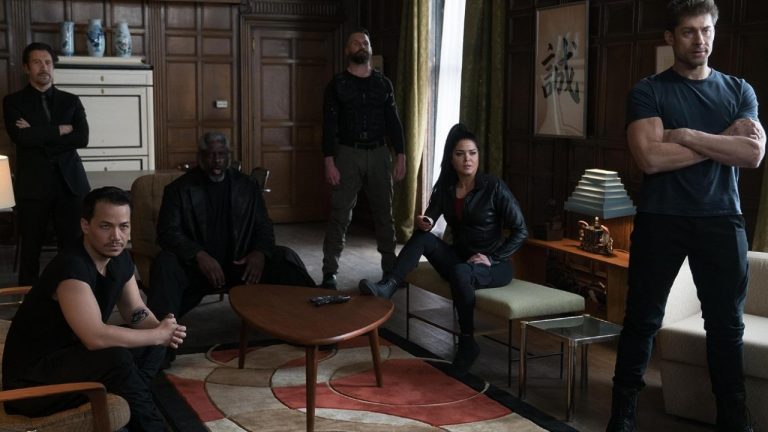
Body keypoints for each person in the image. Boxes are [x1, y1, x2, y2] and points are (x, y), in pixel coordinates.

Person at [606, 2, 766, 431]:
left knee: (726, 326)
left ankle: (734, 418)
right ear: (670, 37)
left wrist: (689, 135)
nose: (700, 40)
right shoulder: (649, 91)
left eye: (706, 30)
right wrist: (723, 141)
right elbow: (650, 158)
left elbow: (752, 154)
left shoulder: (739, 91)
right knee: (642, 319)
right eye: (689, 32)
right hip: (661, 218)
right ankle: (622, 416)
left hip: (722, 219)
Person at [1, 187, 186, 431]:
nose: (116, 236)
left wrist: (164, 330)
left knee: (151, 344)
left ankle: (129, 402)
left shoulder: (120, 258)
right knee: (118, 357)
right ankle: (149, 423)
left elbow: (135, 310)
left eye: (124, 226)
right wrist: (157, 334)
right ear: (85, 225)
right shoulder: (71, 268)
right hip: (34, 381)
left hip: (74, 358)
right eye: (106, 226)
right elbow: (95, 337)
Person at [358, 123, 528, 373]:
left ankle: (468, 343)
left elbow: (521, 230)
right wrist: (424, 221)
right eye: (460, 154)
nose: (467, 159)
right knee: (423, 238)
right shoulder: (446, 188)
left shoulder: (494, 187)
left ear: (478, 156)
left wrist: (492, 257)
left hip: (494, 266)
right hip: (460, 259)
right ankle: (389, 285)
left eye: (472, 153)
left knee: (460, 271)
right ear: (451, 158)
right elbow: (430, 218)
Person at [148, 131, 315, 319]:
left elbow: (263, 226)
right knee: (165, 263)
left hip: (240, 265)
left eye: (222, 154)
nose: (217, 160)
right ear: (200, 157)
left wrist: (260, 252)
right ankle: (158, 331)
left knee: (285, 258)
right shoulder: (179, 189)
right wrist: (199, 255)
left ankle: (318, 317)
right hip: (197, 269)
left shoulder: (247, 185)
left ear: (228, 156)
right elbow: (167, 232)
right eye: (211, 155)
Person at [320, 28, 407, 289]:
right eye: (356, 42)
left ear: (370, 49)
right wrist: (329, 160)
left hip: (380, 153)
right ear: (347, 50)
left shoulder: (383, 84)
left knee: (385, 214)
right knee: (340, 213)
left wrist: (401, 154)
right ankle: (329, 273)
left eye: (365, 42)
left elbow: (394, 122)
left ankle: (390, 270)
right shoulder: (337, 84)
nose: (361, 45)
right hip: (348, 153)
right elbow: (329, 125)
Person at [3, 42, 90, 286]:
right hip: (33, 186)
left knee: (73, 247)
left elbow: (81, 138)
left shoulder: (71, 101)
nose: (44, 67)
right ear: (26, 68)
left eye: (48, 62)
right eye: (37, 62)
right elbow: (21, 138)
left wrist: (37, 134)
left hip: (70, 184)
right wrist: (60, 130)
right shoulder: (13, 102)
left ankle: (73, 293)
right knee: (31, 249)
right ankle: (28, 299)